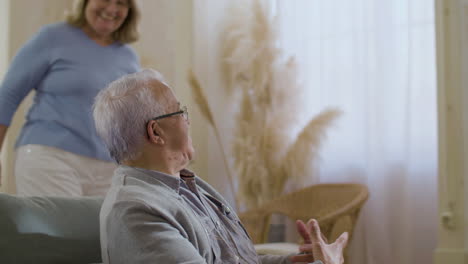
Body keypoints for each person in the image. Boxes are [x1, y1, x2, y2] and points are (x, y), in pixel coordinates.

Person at [93, 69, 349, 264]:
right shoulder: (135, 211)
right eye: (179, 111)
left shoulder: (186, 185)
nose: (187, 120)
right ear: (156, 131)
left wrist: (295, 261)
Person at [0, 0, 140, 196]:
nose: (111, 9)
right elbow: (7, 95)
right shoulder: (52, 38)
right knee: (57, 226)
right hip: (50, 157)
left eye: (121, 3)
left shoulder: (129, 57)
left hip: (109, 168)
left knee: (101, 227)